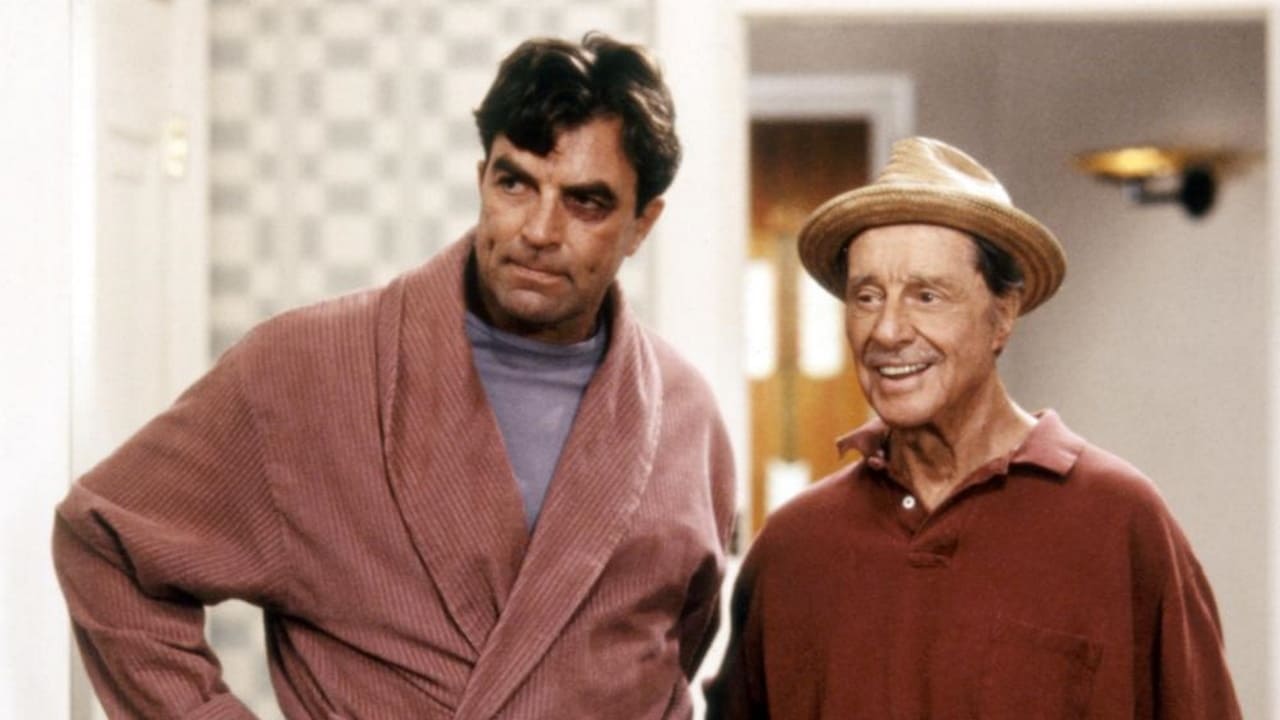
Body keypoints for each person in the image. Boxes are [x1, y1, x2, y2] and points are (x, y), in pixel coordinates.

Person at [53, 33, 735, 719]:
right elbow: (106, 540)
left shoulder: (688, 418)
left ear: (642, 223)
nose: (538, 229)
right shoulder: (306, 370)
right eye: (515, 183)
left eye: (585, 202)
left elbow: (674, 647)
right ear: (482, 179)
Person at [705, 136, 1240, 719]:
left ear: (1002, 315)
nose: (887, 330)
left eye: (926, 295)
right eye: (867, 296)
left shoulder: (1121, 520)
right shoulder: (792, 549)